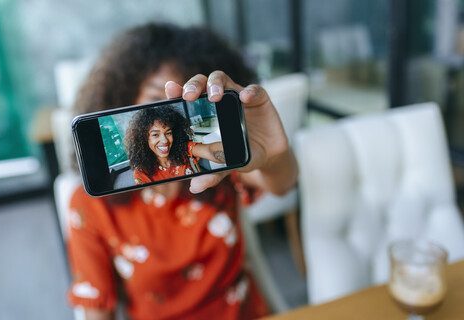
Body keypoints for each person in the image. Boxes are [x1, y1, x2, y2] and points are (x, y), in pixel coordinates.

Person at [67, 22, 298, 320]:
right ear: (126, 103)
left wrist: (271, 156)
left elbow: (284, 184)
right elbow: (96, 308)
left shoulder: (209, 170)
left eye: (174, 111)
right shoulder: (90, 207)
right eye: (154, 102)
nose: (162, 138)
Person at [125, 105, 225, 185]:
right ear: (143, 139)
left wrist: (233, 151)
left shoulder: (184, 149)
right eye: (155, 135)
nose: (164, 140)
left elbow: (210, 151)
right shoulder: (141, 173)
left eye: (168, 133)